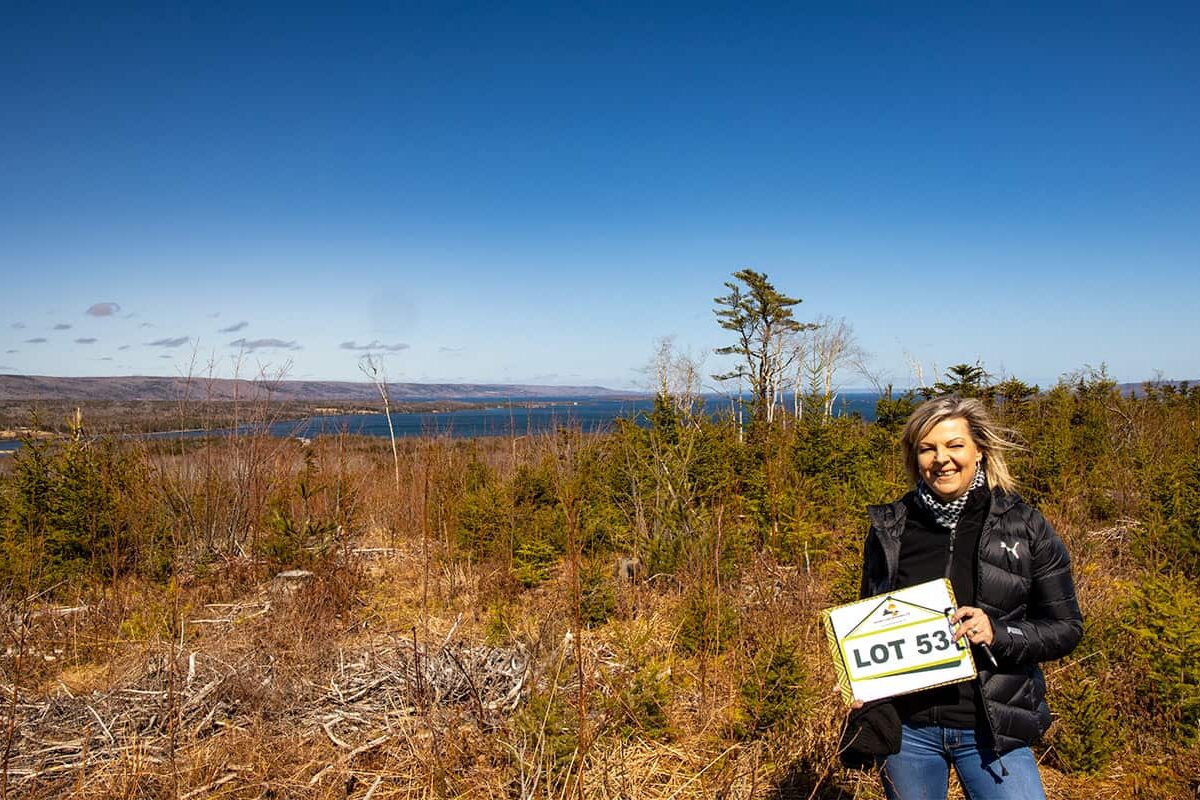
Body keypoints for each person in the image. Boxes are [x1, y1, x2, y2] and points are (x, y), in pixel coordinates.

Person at [851, 395, 1082, 799]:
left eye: (954, 445)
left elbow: (1066, 628)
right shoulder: (890, 528)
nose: (942, 459)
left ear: (979, 449)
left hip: (992, 731)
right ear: (914, 457)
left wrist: (998, 632)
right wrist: (862, 679)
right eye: (928, 448)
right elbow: (870, 621)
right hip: (909, 733)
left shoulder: (1025, 527)